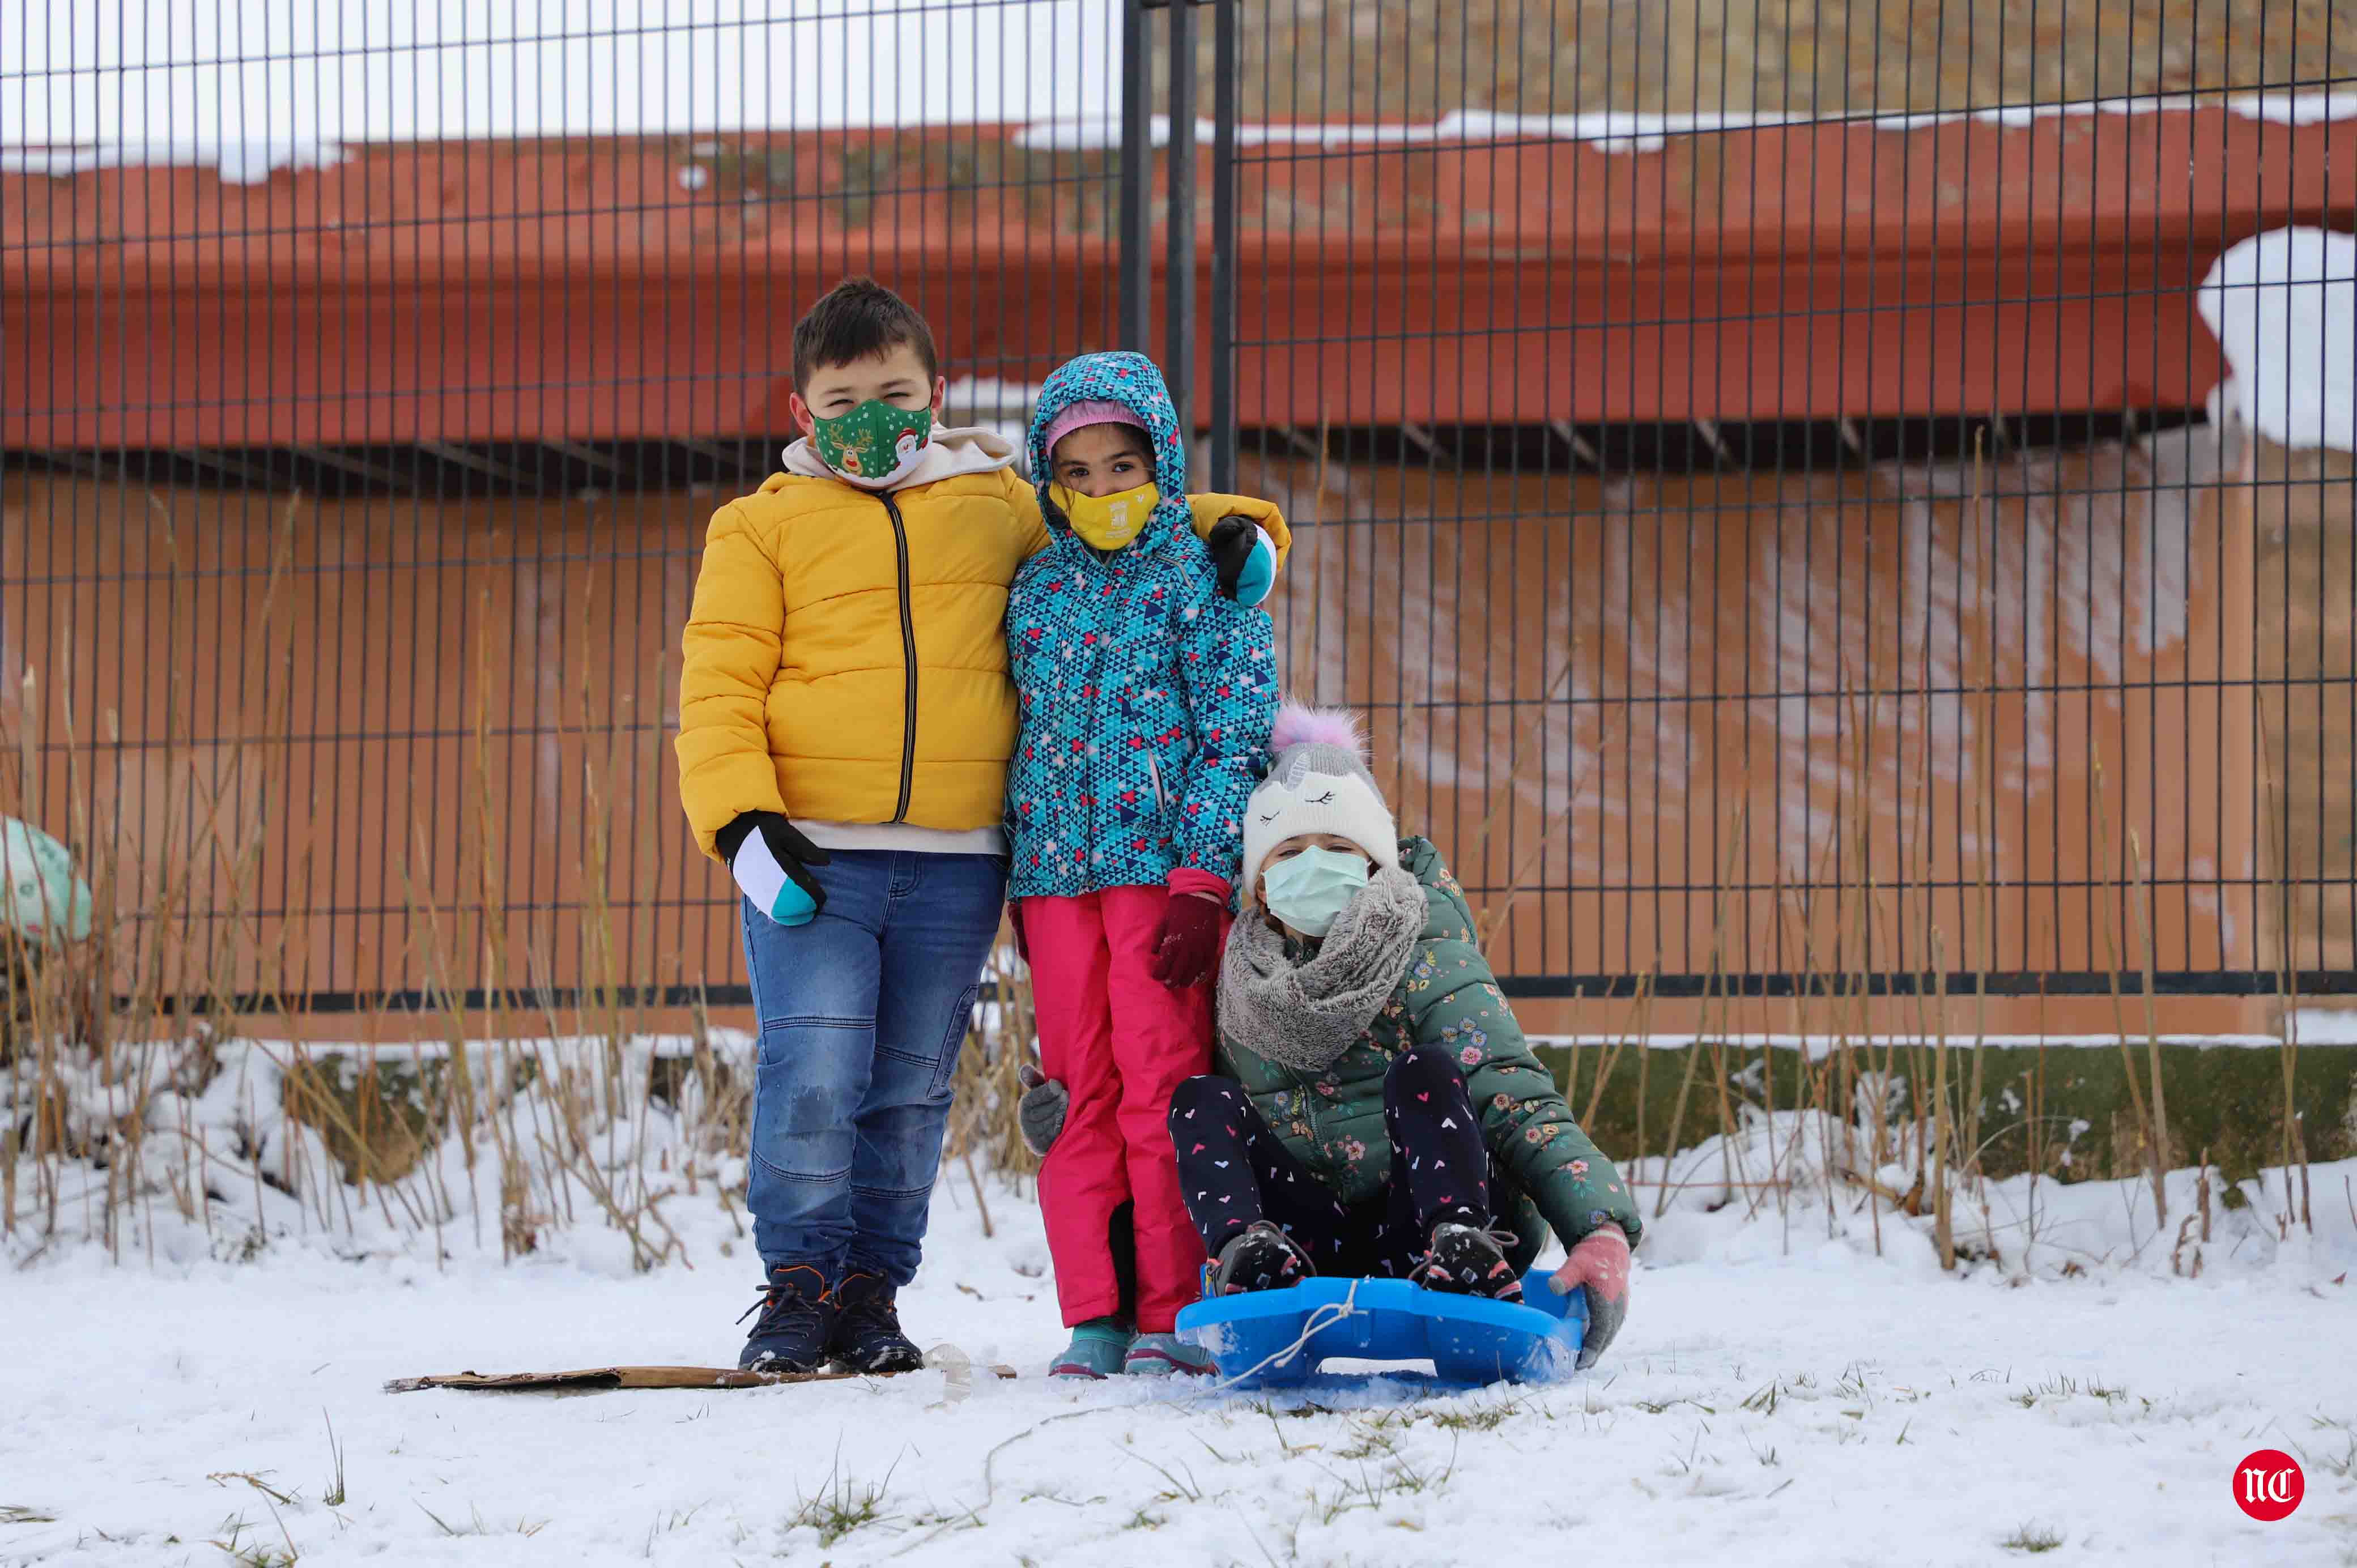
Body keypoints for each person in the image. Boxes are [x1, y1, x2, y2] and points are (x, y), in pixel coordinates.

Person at [676, 279, 1290, 1374]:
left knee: (913, 1085)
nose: (872, 419)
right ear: (802, 409)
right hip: (815, 850)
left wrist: (1240, 527)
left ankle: (873, 1295)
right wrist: (740, 824)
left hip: (958, 859)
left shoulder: (991, 502)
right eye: (843, 400)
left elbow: (1124, 516)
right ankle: (800, 1286)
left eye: (895, 394)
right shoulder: (759, 525)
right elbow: (719, 682)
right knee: (816, 1069)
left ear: (937, 392)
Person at [1027, 704, 1639, 1370]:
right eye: (1289, 852)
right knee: (1198, 1096)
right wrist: (1069, 1122)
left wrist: (1598, 1226)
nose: (1314, 864)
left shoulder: (1423, 947)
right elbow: (1173, 1117)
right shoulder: (1240, 973)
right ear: (1261, 882)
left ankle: (1464, 1249)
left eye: (1339, 848)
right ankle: (1248, 1262)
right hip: (1306, 1244)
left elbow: (1510, 1092)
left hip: (1430, 1219)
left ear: (1374, 863)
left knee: (1426, 1070)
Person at [1003, 352, 1280, 1380]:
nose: (1102, 491)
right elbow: (1014, 730)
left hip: (1159, 881)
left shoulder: (1205, 580)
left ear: (1161, 461)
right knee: (1077, 1090)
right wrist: (1014, 875)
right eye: (1077, 474)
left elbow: (1235, 734)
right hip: (1053, 880)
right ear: (1051, 483)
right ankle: (1097, 1312)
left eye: (1122, 467)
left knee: (1164, 1083)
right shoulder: (1035, 592)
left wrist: (1204, 878)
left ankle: (1174, 1306)